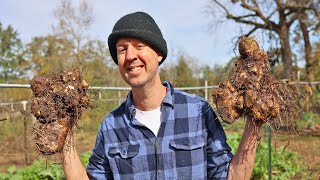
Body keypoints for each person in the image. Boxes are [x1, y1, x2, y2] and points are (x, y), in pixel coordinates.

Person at [62, 11, 262, 180]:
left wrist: (255, 121)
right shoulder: (111, 126)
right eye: (122, 50)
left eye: (140, 46)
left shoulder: (198, 112)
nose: (130, 56)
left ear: (159, 53)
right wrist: (64, 137)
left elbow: (229, 175)